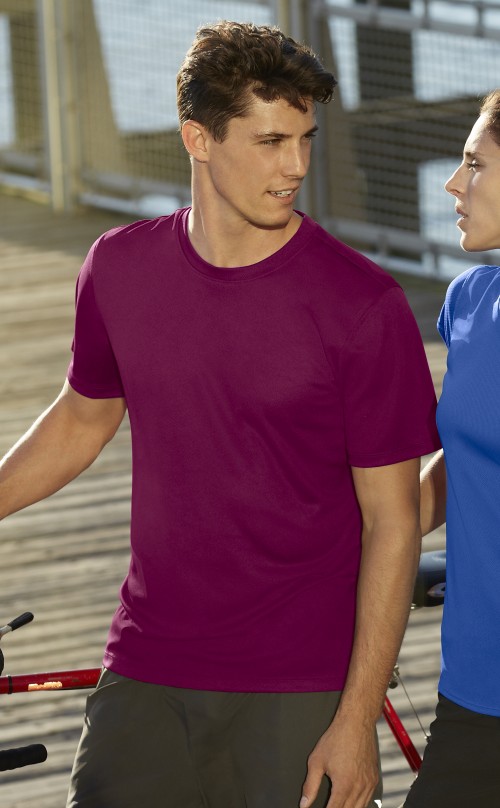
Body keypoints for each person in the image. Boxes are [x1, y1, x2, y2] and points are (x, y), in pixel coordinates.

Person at [0, 21, 440, 808]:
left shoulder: (362, 307)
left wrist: (355, 719)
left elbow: (393, 523)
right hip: (148, 661)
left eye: (304, 139)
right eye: (270, 142)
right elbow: (81, 419)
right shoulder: (118, 268)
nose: (296, 166)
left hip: (298, 682)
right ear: (197, 139)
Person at [403, 91, 500, 808]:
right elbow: (461, 461)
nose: (453, 183)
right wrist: (367, 530)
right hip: (474, 680)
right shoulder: (468, 302)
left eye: (476, 164)